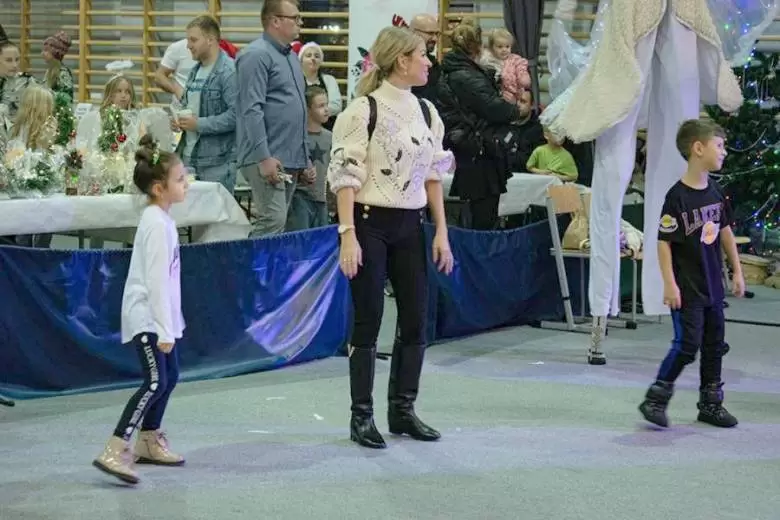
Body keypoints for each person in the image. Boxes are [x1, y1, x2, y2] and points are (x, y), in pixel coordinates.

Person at [328, 26, 455, 449]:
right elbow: (345, 176)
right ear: (402, 60)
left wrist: (441, 231)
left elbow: (433, 175)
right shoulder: (361, 111)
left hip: (410, 225)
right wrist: (348, 234)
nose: (429, 62)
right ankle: (361, 415)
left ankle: (403, 409)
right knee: (368, 318)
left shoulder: (427, 111)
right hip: (369, 223)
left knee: (416, 318)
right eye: (423, 54)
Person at [93, 135, 188, 485]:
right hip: (148, 317)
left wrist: (172, 322)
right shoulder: (155, 225)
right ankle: (116, 447)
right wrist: (163, 328)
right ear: (159, 189)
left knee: (170, 377)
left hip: (161, 317)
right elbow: (156, 282)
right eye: (180, 179)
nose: (187, 184)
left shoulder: (163, 220)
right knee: (154, 381)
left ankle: (149, 439)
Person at [638, 119, 744, 429]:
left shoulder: (716, 191)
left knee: (714, 345)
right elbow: (664, 243)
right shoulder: (677, 197)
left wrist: (737, 271)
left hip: (713, 286)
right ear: (698, 148)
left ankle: (711, 404)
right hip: (687, 288)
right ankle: (655, 399)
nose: (724, 152)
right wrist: (669, 284)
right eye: (719, 146)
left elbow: (725, 232)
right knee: (687, 344)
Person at [236, 0, 311, 237]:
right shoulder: (256, 55)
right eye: (295, 18)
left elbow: (298, 109)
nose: (300, 22)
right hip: (267, 154)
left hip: (289, 155)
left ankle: (264, 263)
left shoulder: (291, 57)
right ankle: (247, 262)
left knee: (279, 224)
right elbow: (251, 109)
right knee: (272, 220)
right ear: (275, 21)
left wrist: (305, 158)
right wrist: (264, 157)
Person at [174, 15, 237, 193]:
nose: (188, 45)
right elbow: (191, 107)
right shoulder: (195, 71)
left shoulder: (229, 72)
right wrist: (180, 121)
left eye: (193, 40)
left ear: (210, 40)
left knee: (216, 212)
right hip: (189, 158)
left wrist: (198, 124)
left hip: (217, 163)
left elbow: (236, 116)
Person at [286, 85, 331, 231]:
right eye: (320, 106)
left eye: (327, 104)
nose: (326, 109)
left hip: (322, 199)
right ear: (308, 109)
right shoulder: (297, 136)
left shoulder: (330, 137)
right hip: (300, 198)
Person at [297, 41, 342, 129]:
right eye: (308, 55)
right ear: (301, 60)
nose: (313, 58)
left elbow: (336, 106)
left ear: (321, 61)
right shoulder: (295, 81)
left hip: (327, 129)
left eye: (317, 56)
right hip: (302, 128)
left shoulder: (329, 80)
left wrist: (312, 113)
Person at [479, 28, 531, 104]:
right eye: (500, 47)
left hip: (513, 96)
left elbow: (521, 68)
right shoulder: (486, 60)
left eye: (507, 46)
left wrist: (523, 77)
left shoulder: (514, 60)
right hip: (492, 97)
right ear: (491, 47)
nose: (504, 50)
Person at [409, 13, 441, 102]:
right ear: (413, 32)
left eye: (437, 34)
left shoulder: (434, 64)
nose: (435, 39)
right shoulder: (398, 63)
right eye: (430, 33)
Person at [42, 31, 74, 103]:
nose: (42, 53)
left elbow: (67, 97)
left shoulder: (63, 73)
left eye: (46, 51)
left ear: (55, 53)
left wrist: (49, 94)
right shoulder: (49, 70)